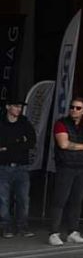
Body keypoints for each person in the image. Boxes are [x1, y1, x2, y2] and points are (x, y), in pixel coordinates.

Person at [49, 96, 83, 246]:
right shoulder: (61, 123)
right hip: (66, 166)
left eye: (78, 108)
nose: (74, 110)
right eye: (72, 107)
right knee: (60, 200)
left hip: (82, 167)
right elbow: (64, 144)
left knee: (77, 200)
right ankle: (54, 232)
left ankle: (73, 231)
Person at [0, 96, 36, 238]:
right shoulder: (1, 122)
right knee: (3, 199)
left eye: (20, 107)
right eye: (16, 106)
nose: (19, 109)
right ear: (8, 107)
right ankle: (6, 227)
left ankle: (22, 227)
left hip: (22, 167)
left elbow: (32, 142)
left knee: (23, 198)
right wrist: (19, 141)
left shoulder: (24, 122)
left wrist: (8, 147)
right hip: (3, 166)